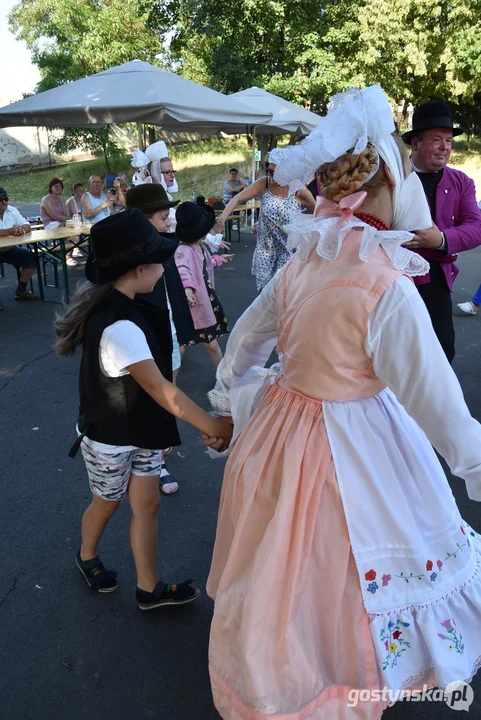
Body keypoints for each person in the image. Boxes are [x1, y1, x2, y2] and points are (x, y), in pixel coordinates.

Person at [202, 85, 481, 720]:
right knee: (344, 569)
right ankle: (341, 684)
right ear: (389, 182)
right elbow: (438, 404)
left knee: (284, 572)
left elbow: (245, 340)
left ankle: (287, 684)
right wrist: (475, 464)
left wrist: (224, 397)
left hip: (282, 432)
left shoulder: (306, 263)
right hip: (354, 446)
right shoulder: (386, 284)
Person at [54, 209, 232, 610]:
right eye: (159, 257)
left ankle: (148, 587)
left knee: (147, 505)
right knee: (107, 501)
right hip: (110, 439)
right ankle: (87, 555)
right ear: (139, 269)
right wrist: (216, 425)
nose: (165, 262)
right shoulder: (119, 325)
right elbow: (162, 390)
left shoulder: (127, 305)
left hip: (143, 432)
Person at [126, 183, 196, 495]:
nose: (170, 221)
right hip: (146, 337)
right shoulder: (130, 257)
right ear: (142, 219)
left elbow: (175, 294)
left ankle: (158, 450)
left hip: (168, 331)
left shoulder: (163, 244)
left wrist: (182, 332)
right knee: (152, 395)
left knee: (167, 390)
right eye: (164, 215)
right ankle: (153, 459)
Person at [401, 100, 481, 363]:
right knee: (396, 351)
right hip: (393, 276)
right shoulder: (392, 177)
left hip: (437, 278)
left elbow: (476, 227)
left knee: (442, 349)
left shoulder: (461, 182)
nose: (445, 147)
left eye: (448, 140)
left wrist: (442, 239)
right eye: (437, 139)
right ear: (415, 143)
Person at [215, 160, 316, 291]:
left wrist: (299, 219)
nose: (271, 176)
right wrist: (222, 219)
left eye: (275, 173)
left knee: (284, 295)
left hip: (288, 252)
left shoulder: (298, 189)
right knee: (265, 296)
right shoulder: (265, 183)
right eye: (269, 171)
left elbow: (316, 211)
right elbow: (237, 198)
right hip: (265, 252)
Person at [175, 202, 232, 369]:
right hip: (193, 304)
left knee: (209, 344)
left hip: (204, 300)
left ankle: (223, 378)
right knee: (181, 346)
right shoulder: (183, 251)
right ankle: (170, 380)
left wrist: (220, 260)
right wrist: (187, 289)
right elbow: (183, 270)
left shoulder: (200, 247)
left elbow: (203, 267)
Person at [0, 188, 39, 307]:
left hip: (9, 249)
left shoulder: (12, 210)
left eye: (5, 198)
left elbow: (27, 225)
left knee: (29, 257)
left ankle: (21, 290)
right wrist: (10, 231)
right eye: (0, 199)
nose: (4, 202)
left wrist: (20, 230)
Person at [65, 183, 85, 267]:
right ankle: (72, 251)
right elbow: (75, 214)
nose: (82, 192)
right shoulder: (71, 201)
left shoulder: (83, 200)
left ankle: (77, 248)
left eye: (83, 190)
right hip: (70, 222)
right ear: (74, 191)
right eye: (79, 190)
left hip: (81, 221)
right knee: (76, 230)